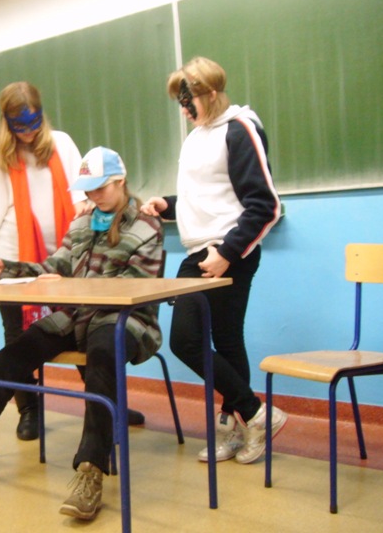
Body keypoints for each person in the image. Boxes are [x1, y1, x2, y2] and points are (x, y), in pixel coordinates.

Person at [0, 146, 164, 521]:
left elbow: (135, 288)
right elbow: (54, 266)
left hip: (124, 320)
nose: (93, 196)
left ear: (120, 181)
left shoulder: (148, 227)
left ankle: (91, 472)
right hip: (76, 317)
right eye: (88, 189)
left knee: (103, 356)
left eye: (101, 187)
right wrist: (9, 268)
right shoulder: (82, 223)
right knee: (13, 355)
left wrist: (70, 286)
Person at [141, 56, 286, 465]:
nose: (184, 110)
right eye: (180, 103)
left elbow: (265, 206)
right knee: (227, 341)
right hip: (203, 250)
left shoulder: (240, 129)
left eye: (188, 101)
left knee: (185, 341)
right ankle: (240, 427)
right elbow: (206, 198)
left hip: (227, 252)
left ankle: (255, 415)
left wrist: (227, 253)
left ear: (211, 92)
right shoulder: (197, 137)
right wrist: (168, 205)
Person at [0, 81, 88, 441]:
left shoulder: (62, 144)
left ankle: (104, 404)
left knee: (82, 330)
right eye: (20, 126)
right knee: (17, 337)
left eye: (34, 123)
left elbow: (82, 198)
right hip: (14, 265)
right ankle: (29, 409)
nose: (28, 132)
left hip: (62, 262)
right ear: (6, 123)